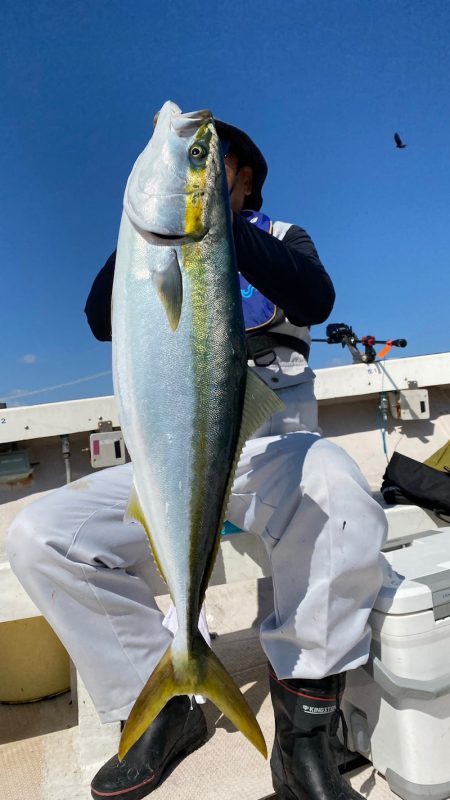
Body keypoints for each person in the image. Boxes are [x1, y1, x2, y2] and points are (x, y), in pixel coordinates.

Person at [7, 116, 387, 800]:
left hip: (276, 456)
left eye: (224, 164)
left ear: (245, 182)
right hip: (169, 465)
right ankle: (160, 702)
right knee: (40, 538)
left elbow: (316, 295)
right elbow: (101, 318)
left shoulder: (280, 238)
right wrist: (144, 227)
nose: (215, 171)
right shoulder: (151, 246)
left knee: (341, 495)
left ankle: (303, 734)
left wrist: (218, 226)